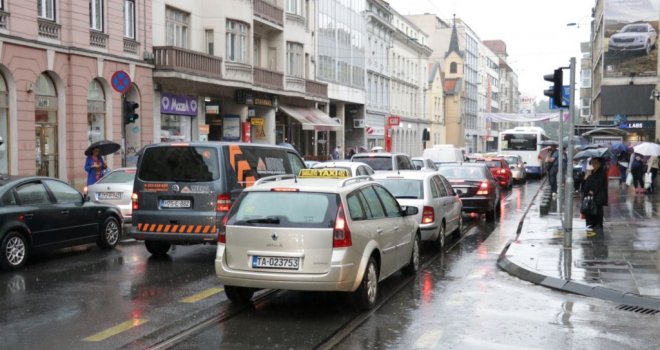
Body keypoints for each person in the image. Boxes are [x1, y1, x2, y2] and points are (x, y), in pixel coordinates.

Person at [581, 157, 608, 232]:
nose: (593, 164)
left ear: (599, 163)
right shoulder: (592, 172)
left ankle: (599, 224)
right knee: (591, 208)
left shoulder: (602, 172)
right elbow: (585, 184)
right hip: (591, 194)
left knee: (598, 209)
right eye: (592, 162)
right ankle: (591, 223)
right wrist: (587, 176)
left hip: (599, 194)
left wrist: (593, 191)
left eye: (595, 163)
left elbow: (599, 184)